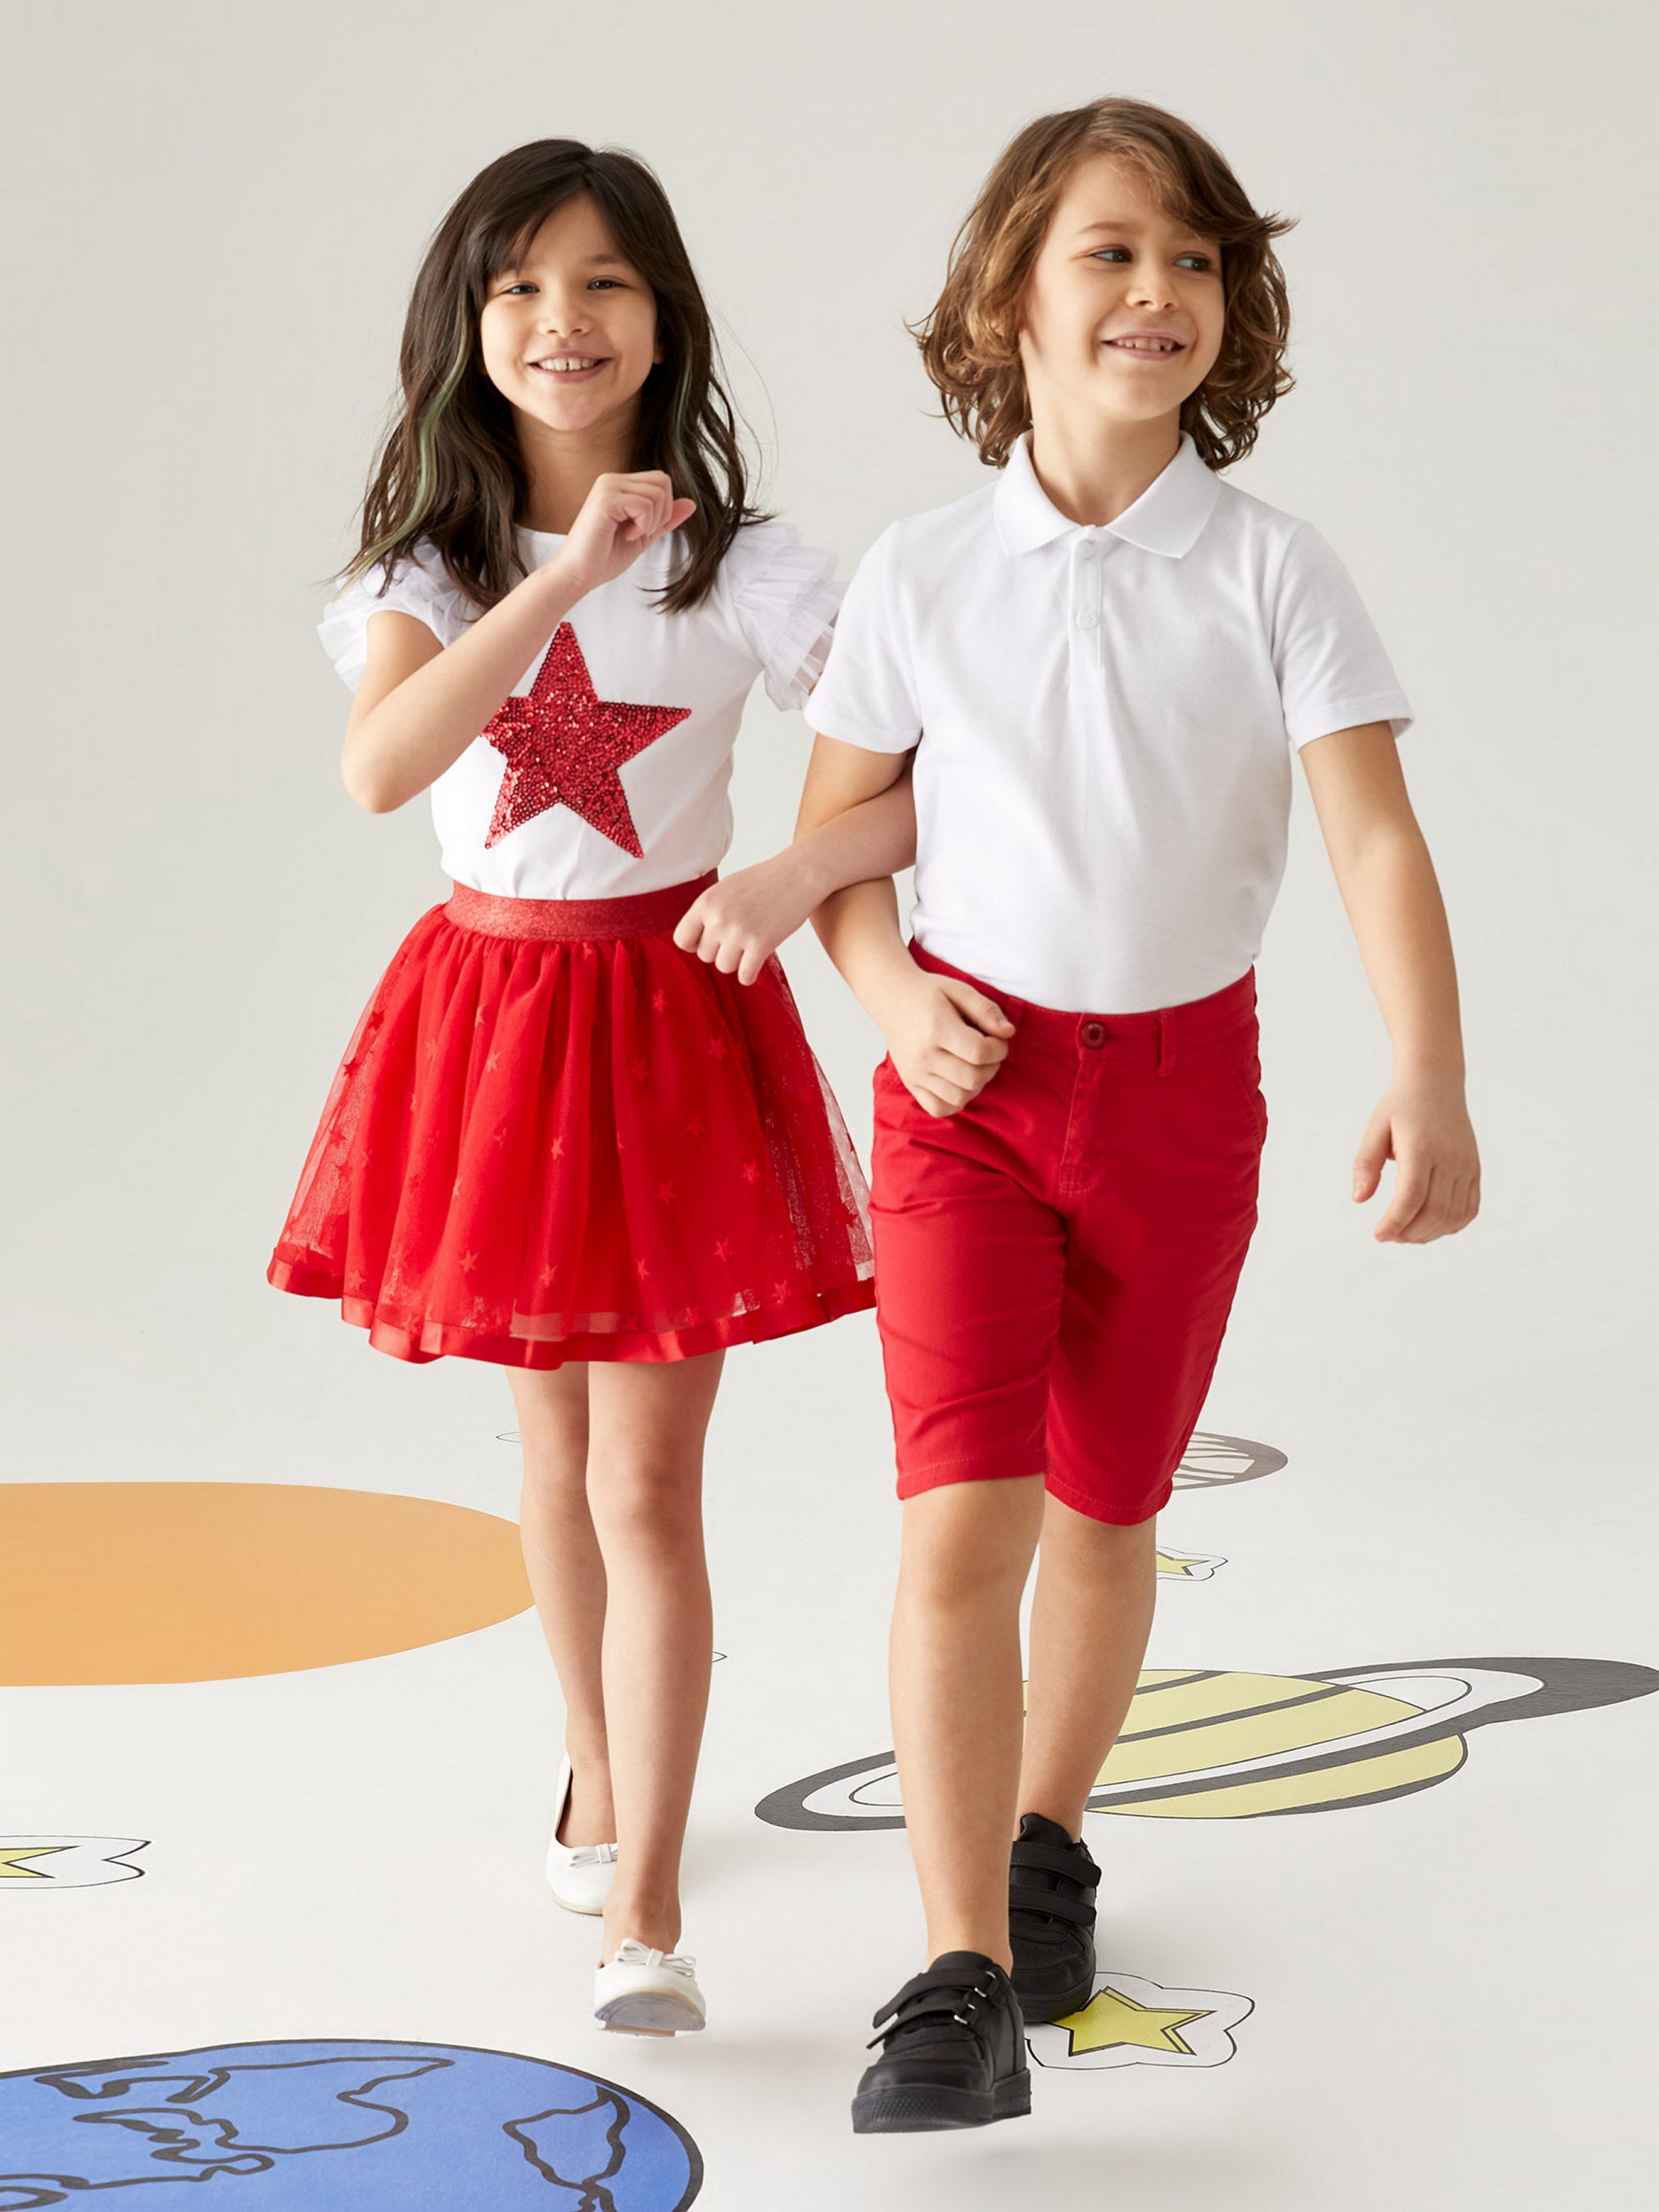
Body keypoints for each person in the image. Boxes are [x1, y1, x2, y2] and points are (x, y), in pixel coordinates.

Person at [692, 94, 1480, 2131]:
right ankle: (953, 1969)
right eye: (1107, 254)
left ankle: (1046, 1841)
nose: (1155, 291)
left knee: (1107, 1512)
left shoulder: (1273, 568)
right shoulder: (923, 571)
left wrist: (1428, 1070)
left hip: (1181, 1100)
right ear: (1006, 304)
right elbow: (839, 841)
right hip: (967, 1102)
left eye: (1191, 258)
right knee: (962, 1516)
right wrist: (893, 998)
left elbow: (1371, 838)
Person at [267, 138, 910, 2039]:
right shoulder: (426, 570)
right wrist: (562, 578)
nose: (564, 320)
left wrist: (790, 873)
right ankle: (596, 1762)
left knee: (646, 1475)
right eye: (521, 288)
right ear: (466, 329)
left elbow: (935, 764)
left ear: (663, 318)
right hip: (490, 1025)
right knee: (548, 1461)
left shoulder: (749, 568)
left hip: (669, 1023)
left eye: (605, 282)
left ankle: (648, 1911)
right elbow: (381, 770)